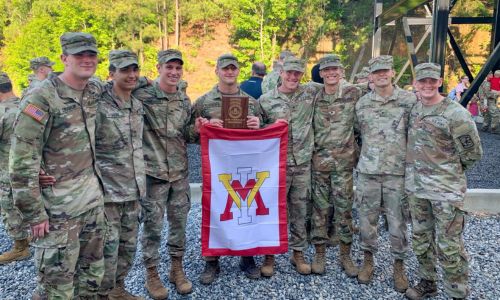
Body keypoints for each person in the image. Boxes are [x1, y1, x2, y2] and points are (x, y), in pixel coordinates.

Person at [9, 32, 105, 299]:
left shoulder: (94, 90)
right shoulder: (41, 98)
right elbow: (21, 160)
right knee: (57, 287)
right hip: (57, 213)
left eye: (91, 55)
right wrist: (34, 213)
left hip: (92, 206)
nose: (86, 60)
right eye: (79, 55)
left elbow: (126, 86)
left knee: (91, 282)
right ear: (64, 58)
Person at [405, 63, 483, 300]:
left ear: (440, 82)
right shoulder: (415, 110)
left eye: (432, 81)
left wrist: (448, 173)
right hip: (417, 188)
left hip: (446, 192)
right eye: (422, 81)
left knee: (449, 245)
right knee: (421, 238)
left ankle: (456, 291)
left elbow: (472, 153)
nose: (427, 85)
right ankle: (427, 282)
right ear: (415, 83)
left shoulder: (455, 113)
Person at [191, 53, 261, 284]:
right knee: (214, 211)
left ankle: (247, 256)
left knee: (246, 211)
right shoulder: (203, 102)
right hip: (217, 168)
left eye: (233, 68)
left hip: (244, 168)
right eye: (225, 69)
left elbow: (266, 133)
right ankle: (212, 260)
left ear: (238, 71)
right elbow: (188, 134)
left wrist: (258, 125)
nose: (229, 72)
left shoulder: (251, 102)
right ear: (217, 71)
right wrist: (203, 127)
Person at [133, 49, 196, 298]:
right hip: (153, 175)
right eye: (169, 67)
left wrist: (197, 129)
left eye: (178, 68)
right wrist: (142, 79)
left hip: (179, 174)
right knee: (152, 227)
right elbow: (113, 83)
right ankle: (152, 274)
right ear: (158, 68)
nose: (174, 72)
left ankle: (176, 269)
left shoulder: (184, 99)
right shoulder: (143, 95)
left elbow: (187, 135)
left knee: (179, 224)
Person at [354, 55, 415, 292]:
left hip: (396, 173)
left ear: (392, 72)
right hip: (368, 172)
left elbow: (415, 135)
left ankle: (398, 266)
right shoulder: (363, 104)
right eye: (376, 72)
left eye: (385, 71)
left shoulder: (408, 101)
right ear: (370, 76)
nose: (381, 75)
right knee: (366, 220)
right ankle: (368, 260)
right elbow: (357, 134)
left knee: (397, 222)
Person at [258, 57, 321, 277]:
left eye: (297, 74)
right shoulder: (266, 100)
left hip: (302, 163)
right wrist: (270, 126)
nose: (293, 77)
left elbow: (338, 85)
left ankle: (298, 253)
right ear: (281, 73)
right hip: (277, 164)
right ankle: (269, 255)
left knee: (299, 210)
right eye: (289, 73)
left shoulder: (310, 93)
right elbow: (257, 129)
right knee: (273, 211)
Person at [95, 50, 146, 300]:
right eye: (125, 70)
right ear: (111, 73)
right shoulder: (97, 103)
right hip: (107, 194)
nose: (132, 75)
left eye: (135, 69)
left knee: (127, 249)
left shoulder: (137, 105)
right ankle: (102, 294)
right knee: (106, 251)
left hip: (133, 192)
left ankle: (118, 290)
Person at [310, 54, 360, 276]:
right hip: (319, 165)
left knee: (344, 211)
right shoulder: (312, 97)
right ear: (321, 73)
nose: (331, 73)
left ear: (342, 72)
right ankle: (319, 254)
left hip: (343, 166)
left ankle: (345, 255)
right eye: (327, 70)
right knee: (319, 211)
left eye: (335, 69)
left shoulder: (354, 94)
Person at [0, 72, 31, 265]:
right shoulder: (29, 107)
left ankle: (21, 247)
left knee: (10, 206)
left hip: (8, 172)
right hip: (34, 168)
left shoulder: (2, 112)